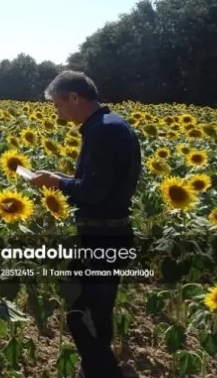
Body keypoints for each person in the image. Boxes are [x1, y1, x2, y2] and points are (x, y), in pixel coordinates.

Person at [29, 70, 141, 378]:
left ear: (74, 97)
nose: (58, 112)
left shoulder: (102, 131)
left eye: (58, 105)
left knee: (80, 312)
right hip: (112, 231)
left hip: (102, 235)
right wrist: (60, 179)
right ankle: (93, 369)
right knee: (95, 312)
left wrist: (59, 185)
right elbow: (97, 183)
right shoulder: (113, 125)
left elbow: (93, 192)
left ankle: (100, 371)